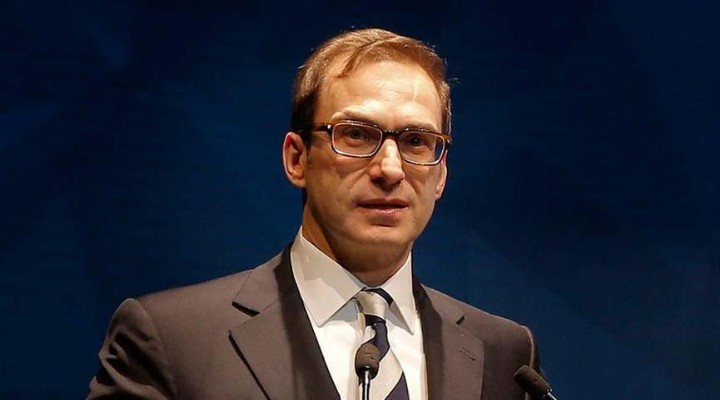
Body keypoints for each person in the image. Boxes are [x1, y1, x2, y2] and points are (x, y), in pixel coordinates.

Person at [88, 28, 540, 400]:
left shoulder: (505, 355)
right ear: (297, 159)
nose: (390, 169)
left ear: (440, 175)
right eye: (356, 134)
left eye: (417, 141)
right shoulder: (173, 339)